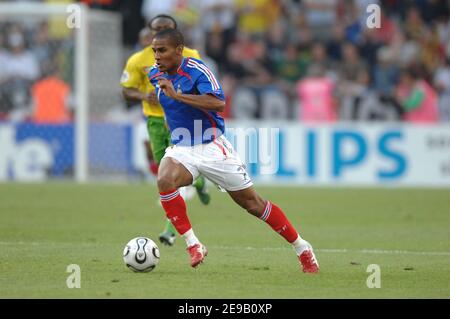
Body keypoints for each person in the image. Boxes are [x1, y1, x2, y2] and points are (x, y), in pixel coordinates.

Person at [147, 28, 319, 273]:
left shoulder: (198, 71)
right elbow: (168, 107)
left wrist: (178, 95)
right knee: (165, 180)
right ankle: (193, 244)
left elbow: (219, 102)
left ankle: (302, 248)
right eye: (154, 50)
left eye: (161, 50)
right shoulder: (155, 74)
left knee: (253, 204)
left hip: (213, 147)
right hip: (182, 148)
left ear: (178, 50)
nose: (156, 56)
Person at [121, 15, 211, 247]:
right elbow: (126, 90)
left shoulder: (191, 56)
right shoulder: (138, 60)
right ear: (149, 32)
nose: (159, 33)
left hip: (182, 120)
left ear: (175, 32)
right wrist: (143, 95)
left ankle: (171, 230)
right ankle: (199, 183)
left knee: (171, 176)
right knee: (164, 173)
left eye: (165, 29)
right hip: (154, 120)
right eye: (156, 30)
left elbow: (203, 89)